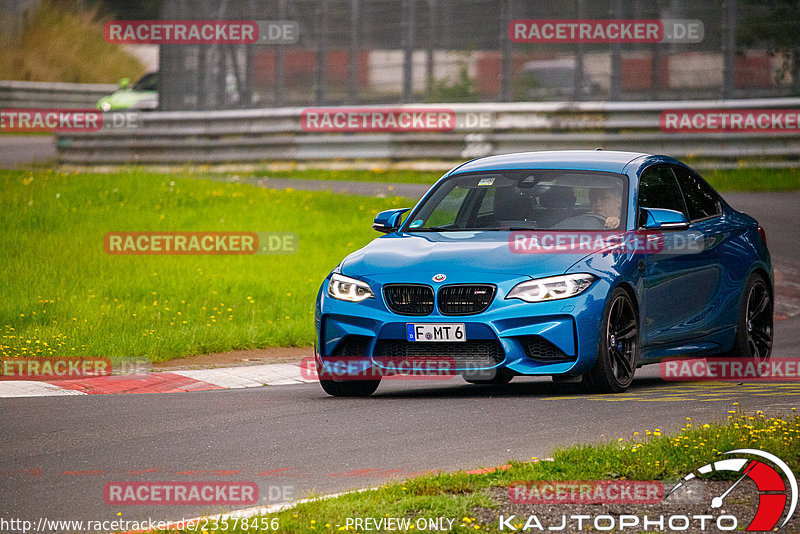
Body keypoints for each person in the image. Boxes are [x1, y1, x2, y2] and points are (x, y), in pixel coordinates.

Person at [555, 187, 622, 230]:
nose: (597, 203)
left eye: (604, 198)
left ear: (618, 202)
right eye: (593, 198)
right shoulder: (575, 222)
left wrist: (619, 224)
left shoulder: (630, 223)